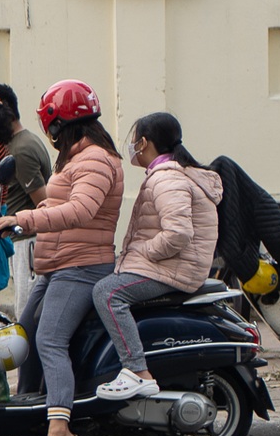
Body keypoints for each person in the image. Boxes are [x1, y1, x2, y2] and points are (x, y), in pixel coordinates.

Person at [0, 79, 123, 436]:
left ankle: (60, 427)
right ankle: (30, 414)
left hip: (81, 267)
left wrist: (24, 217)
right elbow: (58, 205)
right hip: (57, 265)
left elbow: (80, 211)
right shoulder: (77, 159)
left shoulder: (95, 159)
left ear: (58, 124)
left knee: (49, 339)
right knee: (25, 334)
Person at [94, 114, 222, 399]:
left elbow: (177, 233)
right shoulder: (167, 174)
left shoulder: (167, 178)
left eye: (133, 139)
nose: (130, 145)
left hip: (174, 269)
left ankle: (137, 371)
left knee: (107, 293)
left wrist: (146, 252)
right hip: (175, 265)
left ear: (144, 143)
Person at [0, 83, 53, 313]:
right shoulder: (20, 142)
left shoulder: (21, 150)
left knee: (27, 312)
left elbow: (44, 204)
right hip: (21, 241)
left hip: (28, 242)